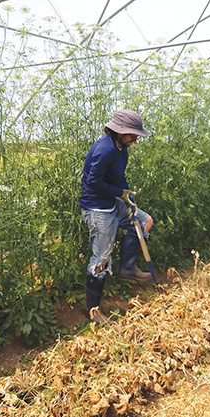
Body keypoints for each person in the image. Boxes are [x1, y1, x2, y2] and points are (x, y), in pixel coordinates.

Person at [79, 109, 154, 323]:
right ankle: (94, 311)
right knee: (101, 258)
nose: (136, 137)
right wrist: (118, 193)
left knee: (144, 221)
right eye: (133, 133)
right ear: (120, 132)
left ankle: (128, 267)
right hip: (97, 208)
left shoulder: (122, 148)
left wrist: (126, 194)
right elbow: (93, 182)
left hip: (113, 202)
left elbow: (119, 178)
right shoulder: (105, 150)